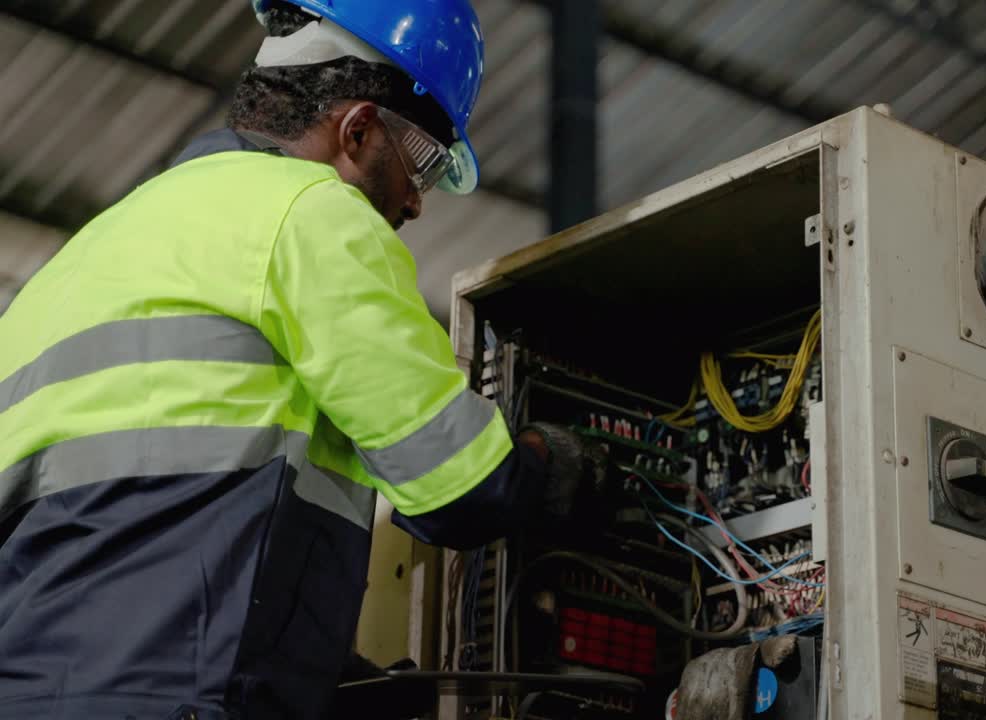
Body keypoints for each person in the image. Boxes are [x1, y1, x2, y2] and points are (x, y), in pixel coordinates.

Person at [0, 1, 596, 718]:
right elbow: (462, 486)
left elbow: (128, 536)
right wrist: (554, 464)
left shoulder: (91, 253)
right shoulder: (310, 213)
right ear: (360, 129)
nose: (415, 203)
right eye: (425, 165)